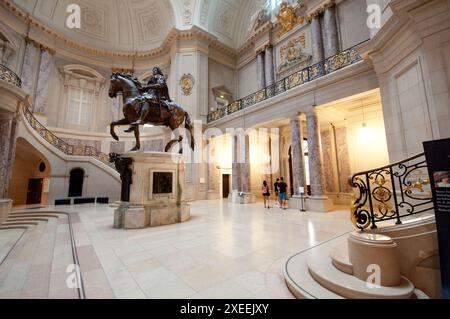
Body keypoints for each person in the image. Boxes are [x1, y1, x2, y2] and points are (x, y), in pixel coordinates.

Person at [125, 66, 171, 133]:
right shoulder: (152, 78)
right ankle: (133, 122)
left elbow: (160, 85)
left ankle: (141, 119)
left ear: (158, 71)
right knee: (137, 100)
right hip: (149, 94)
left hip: (157, 95)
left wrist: (148, 87)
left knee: (146, 100)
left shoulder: (160, 77)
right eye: (153, 70)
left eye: (155, 70)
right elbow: (147, 89)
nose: (154, 71)